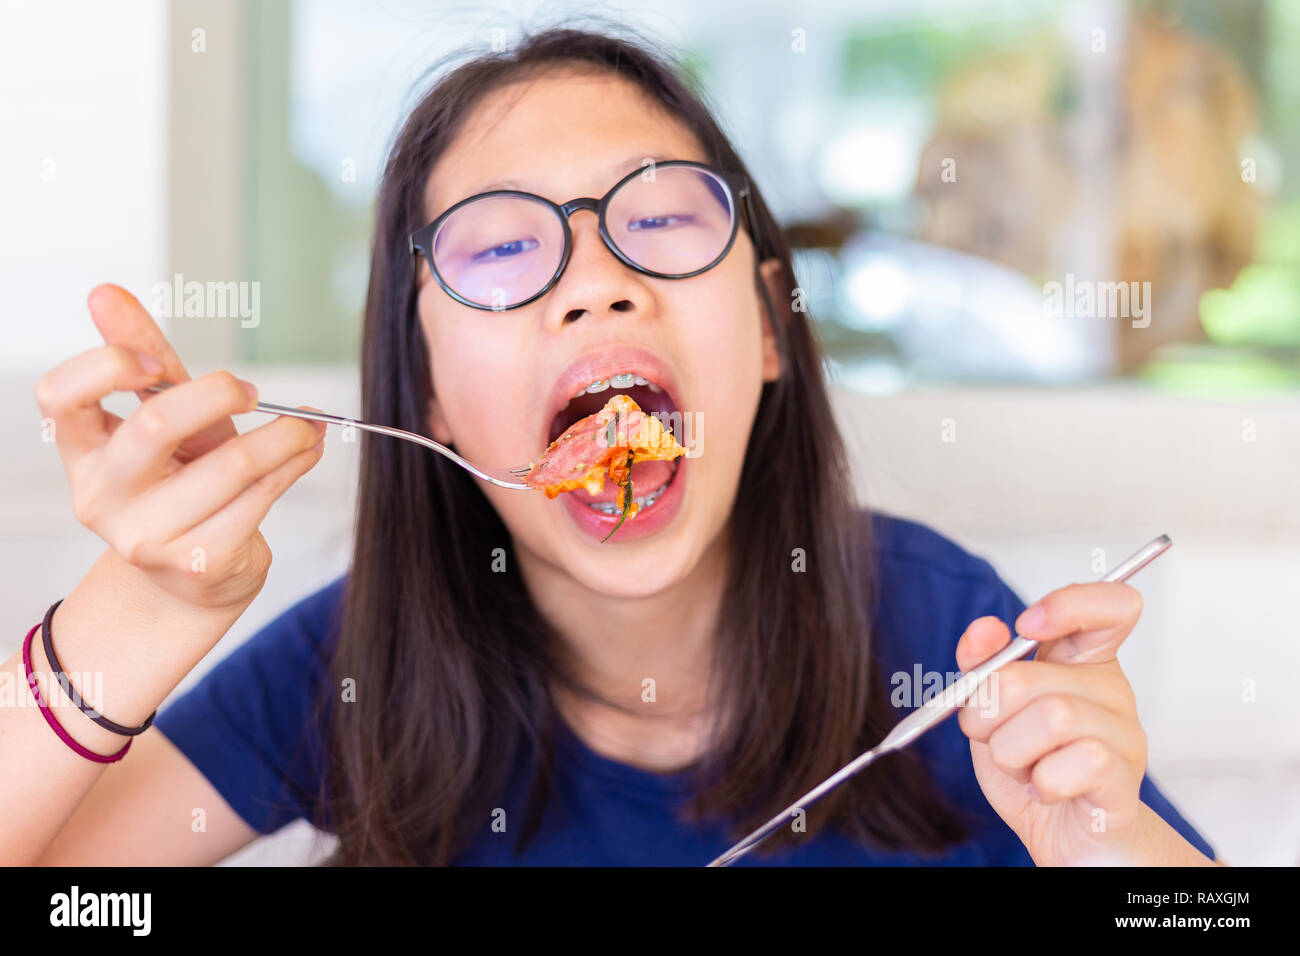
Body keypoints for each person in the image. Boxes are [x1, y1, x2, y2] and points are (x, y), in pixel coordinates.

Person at [7, 26, 1217, 866]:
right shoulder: (352, 667)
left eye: (660, 219)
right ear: (427, 395)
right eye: (498, 248)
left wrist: (1106, 846)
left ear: (765, 331)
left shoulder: (938, 638)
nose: (595, 283)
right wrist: (142, 613)